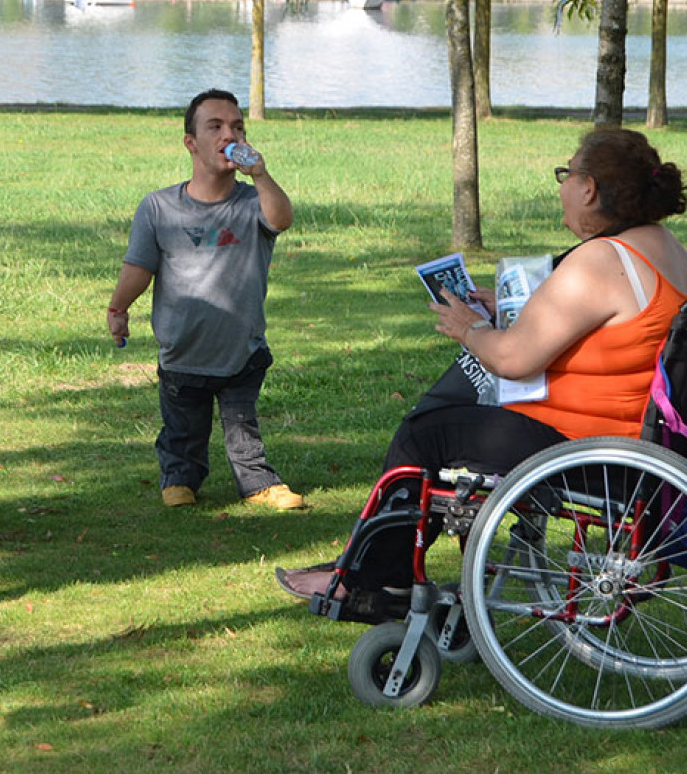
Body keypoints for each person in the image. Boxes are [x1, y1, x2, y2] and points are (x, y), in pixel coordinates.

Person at [276, 128, 687, 614]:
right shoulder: (661, 246)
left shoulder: (600, 261)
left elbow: (513, 358)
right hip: (634, 447)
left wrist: (468, 328)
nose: (561, 186)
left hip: (586, 450)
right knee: (450, 423)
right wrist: (514, 307)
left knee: (426, 435)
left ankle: (378, 583)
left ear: (588, 187)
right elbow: (602, 325)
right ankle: (377, 566)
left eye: (566, 174)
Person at [107, 89, 305, 510]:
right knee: (182, 429)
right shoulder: (159, 207)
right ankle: (180, 477)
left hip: (241, 348)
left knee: (242, 427)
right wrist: (118, 308)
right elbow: (138, 268)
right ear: (190, 142)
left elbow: (282, 219)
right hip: (182, 352)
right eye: (214, 126)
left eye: (236, 126)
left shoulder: (253, 202)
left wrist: (262, 176)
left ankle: (257, 482)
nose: (227, 134)